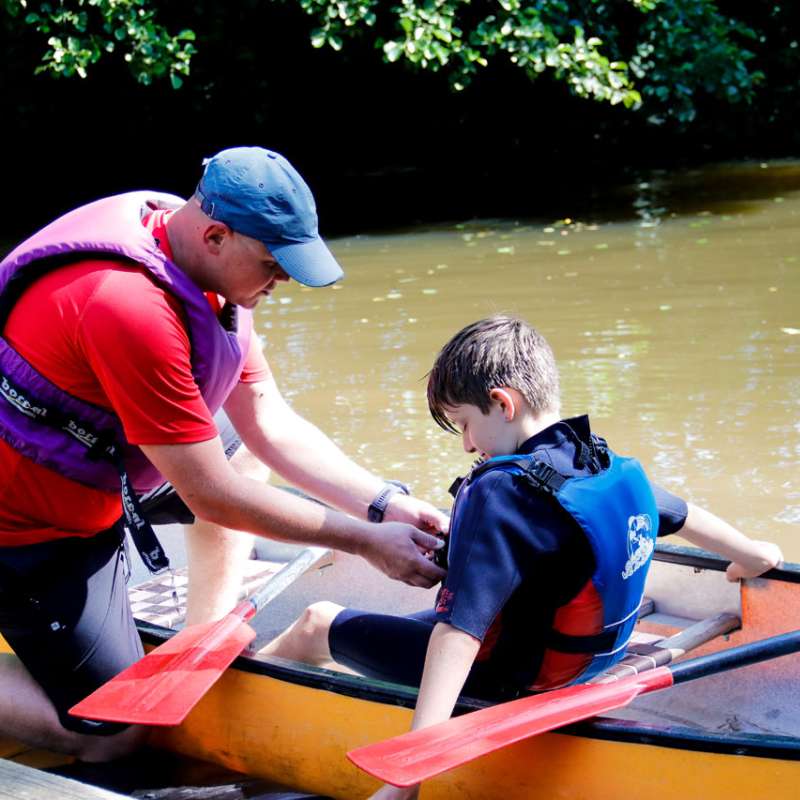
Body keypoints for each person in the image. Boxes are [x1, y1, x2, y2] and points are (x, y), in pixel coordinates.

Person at [0, 146, 448, 762]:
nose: (283, 280)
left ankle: (205, 634)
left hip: (105, 474)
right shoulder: (128, 305)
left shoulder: (207, 272)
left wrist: (384, 506)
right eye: (272, 263)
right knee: (115, 734)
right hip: (27, 521)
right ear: (215, 235)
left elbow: (267, 423)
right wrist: (363, 542)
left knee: (235, 452)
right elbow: (209, 493)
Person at [262, 314, 784, 800]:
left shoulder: (501, 493)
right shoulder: (600, 459)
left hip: (516, 675)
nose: (467, 445)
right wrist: (752, 554)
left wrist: (410, 772)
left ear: (502, 403)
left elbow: (459, 631)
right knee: (397, 628)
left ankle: (235, 699)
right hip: (587, 659)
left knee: (316, 621)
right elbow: (681, 514)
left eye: (464, 424)